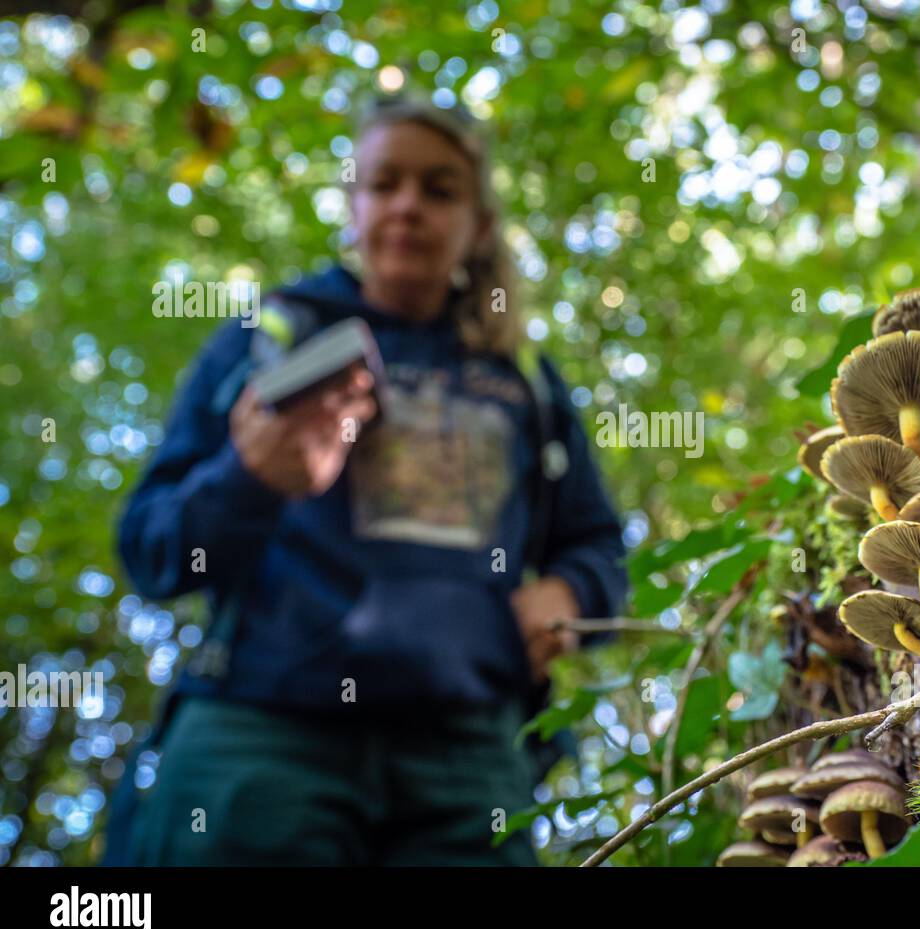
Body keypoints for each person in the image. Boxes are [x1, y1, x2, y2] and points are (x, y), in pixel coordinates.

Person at [109, 97, 627, 865]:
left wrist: (569, 595)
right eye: (384, 184)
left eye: (440, 189)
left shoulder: (525, 378)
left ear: (478, 224)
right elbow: (153, 552)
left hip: (471, 752)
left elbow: (598, 543)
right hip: (260, 732)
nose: (408, 206)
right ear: (352, 205)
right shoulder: (266, 339)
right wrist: (247, 479)